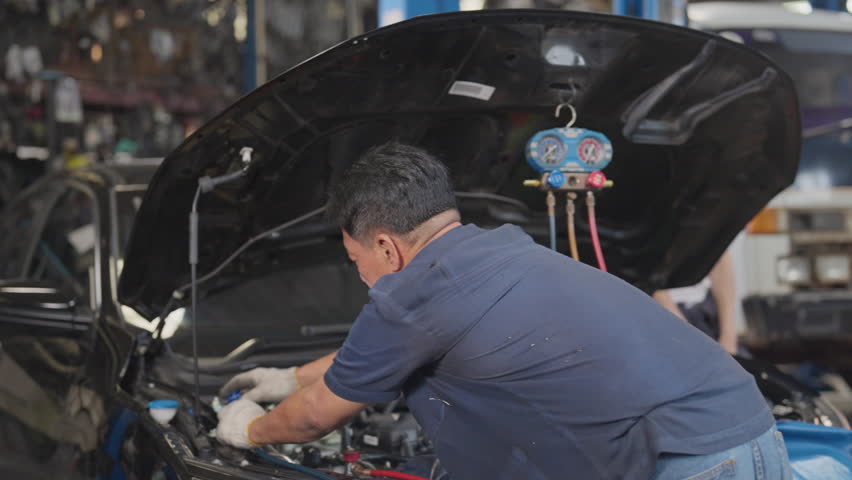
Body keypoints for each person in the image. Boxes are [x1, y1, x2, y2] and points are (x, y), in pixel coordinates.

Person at [216, 142, 790, 479]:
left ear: (387, 247)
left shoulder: (415, 294)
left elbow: (318, 416)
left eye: (355, 258)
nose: (361, 275)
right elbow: (374, 359)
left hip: (696, 464)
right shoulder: (496, 250)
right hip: (753, 436)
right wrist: (288, 376)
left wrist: (250, 431)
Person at [653, 249, 739, 354]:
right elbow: (649, 279)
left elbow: (720, 260)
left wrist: (728, 337)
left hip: (708, 313)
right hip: (664, 315)